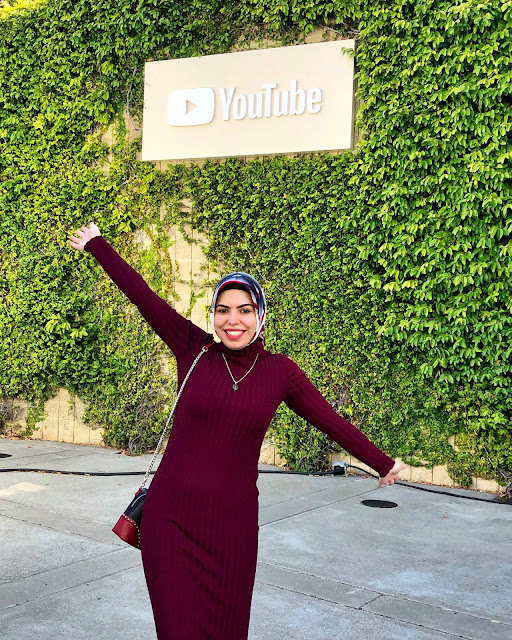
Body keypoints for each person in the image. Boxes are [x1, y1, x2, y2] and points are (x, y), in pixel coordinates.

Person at [69, 222, 406, 640]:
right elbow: (143, 297)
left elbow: (329, 420)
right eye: (223, 309)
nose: (233, 320)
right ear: (212, 316)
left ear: (260, 316)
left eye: (245, 310)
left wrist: (383, 463)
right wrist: (97, 245)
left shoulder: (280, 372)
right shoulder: (192, 348)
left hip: (233, 532)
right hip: (169, 523)